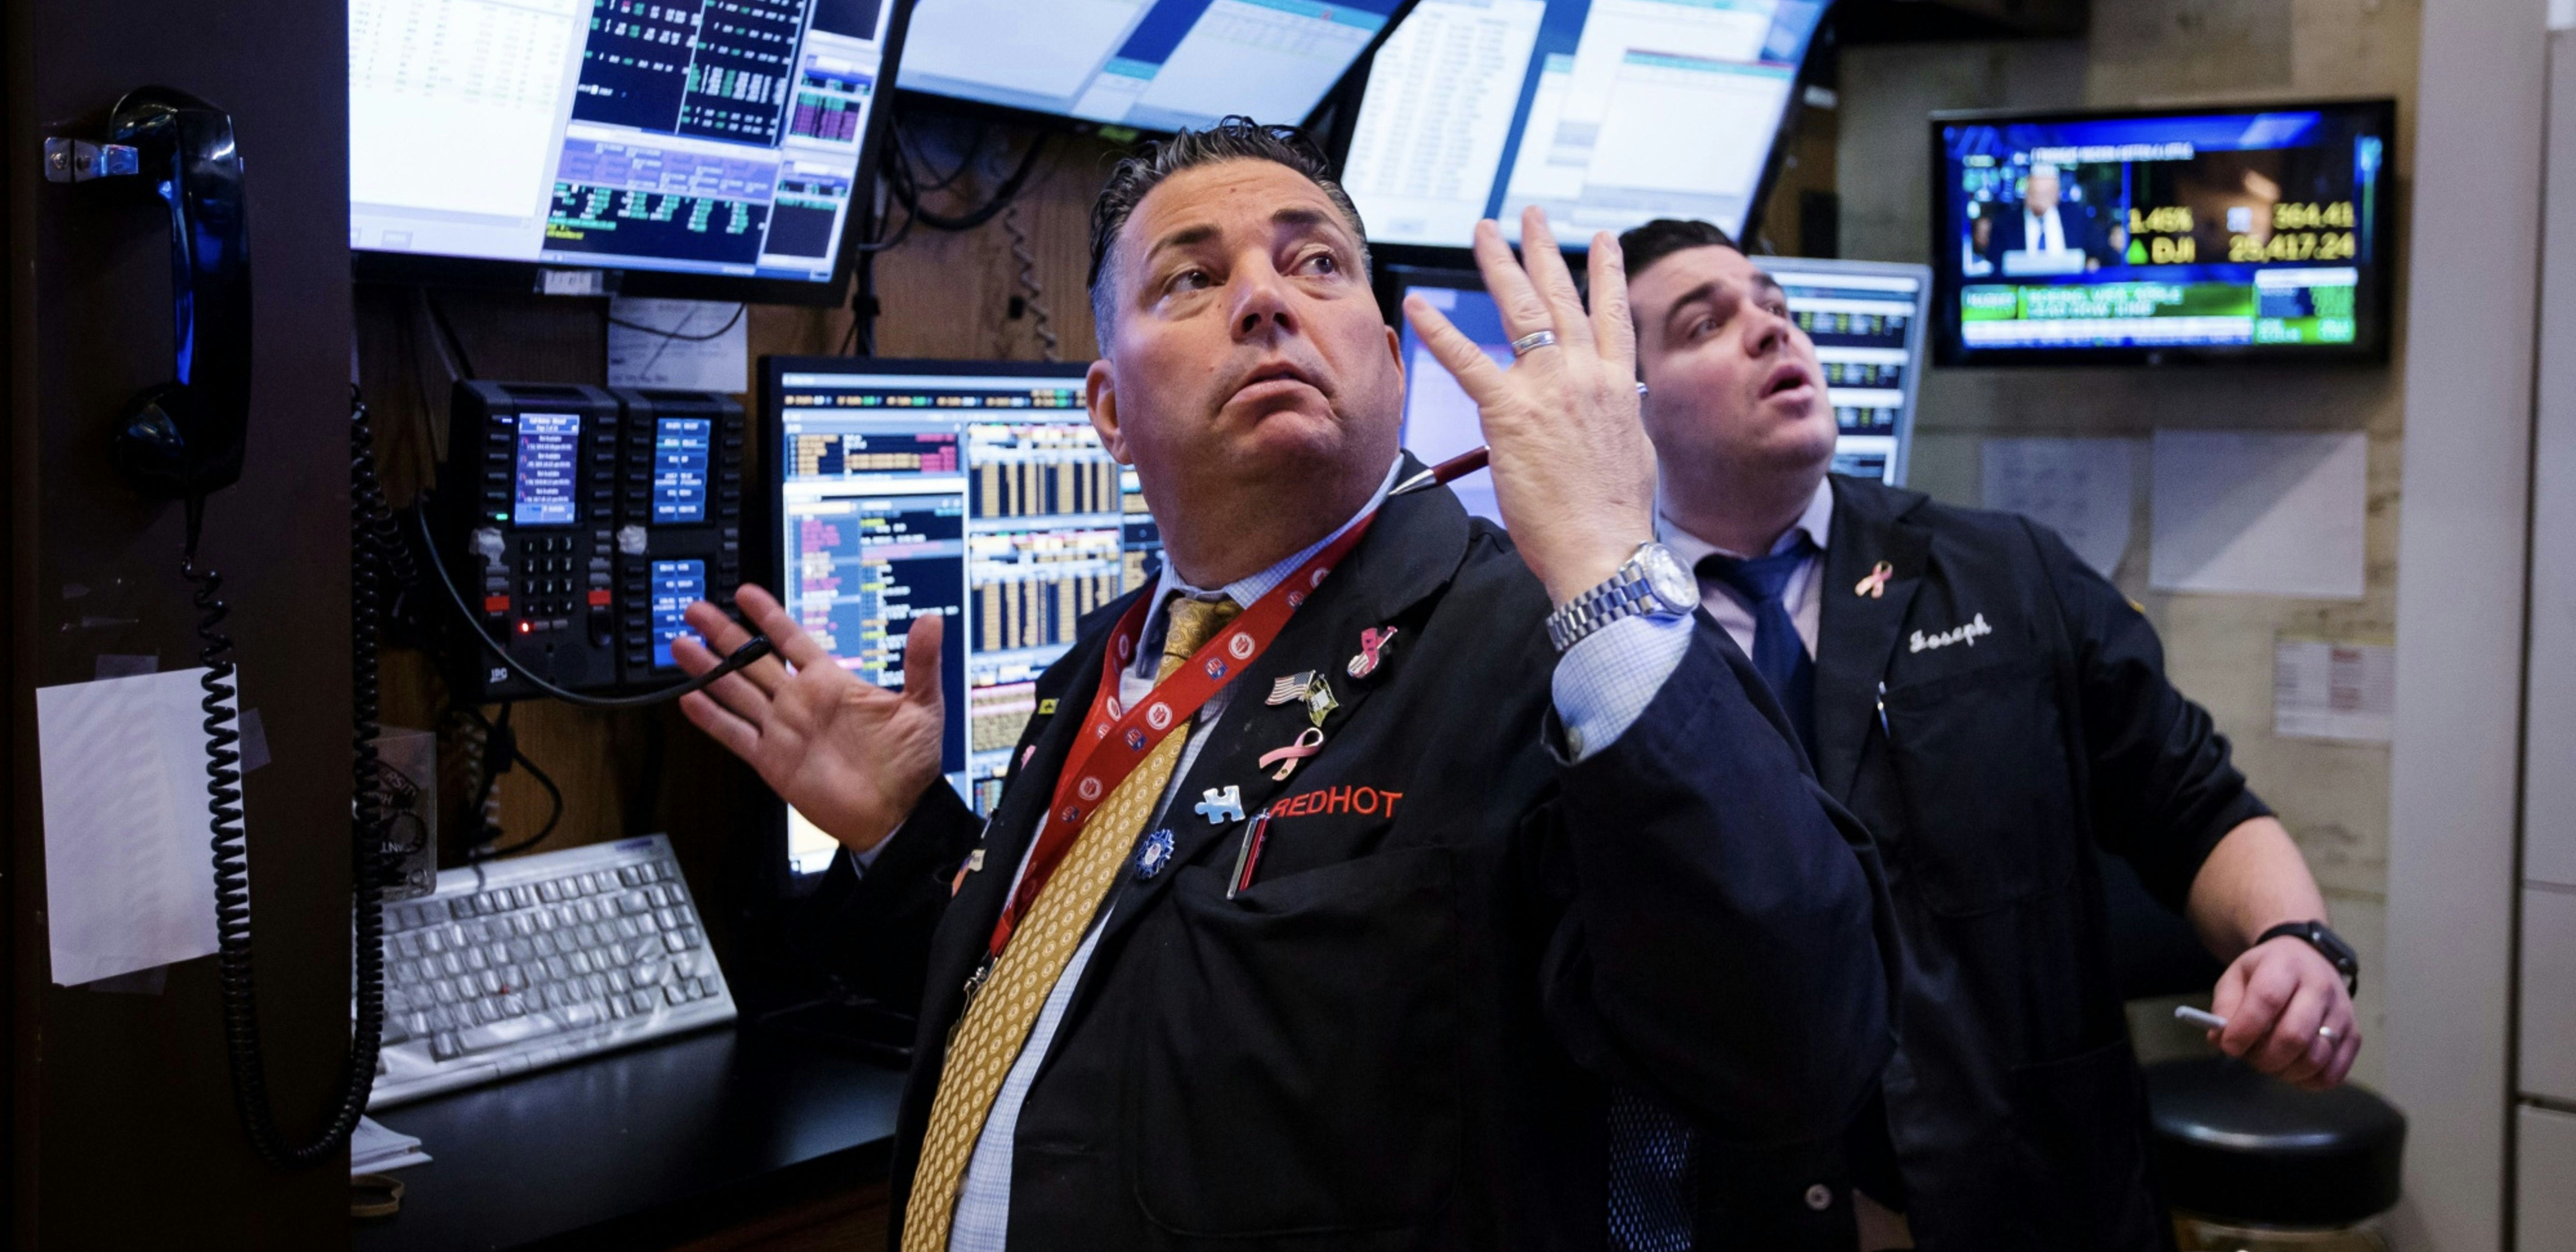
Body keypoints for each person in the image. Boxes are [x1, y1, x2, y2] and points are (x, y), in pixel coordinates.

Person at [669, 123, 1898, 1250]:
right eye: (1190, 280)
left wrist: (1607, 563)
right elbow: (1117, 1023)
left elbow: (1796, 1048)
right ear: (1107, 409)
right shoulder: (1094, 672)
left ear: (1379, 345)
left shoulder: (1553, 648)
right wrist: (903, 838)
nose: (1263, 298)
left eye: (1316, 266)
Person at [1616, 216, 2362, 1252]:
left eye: (1776, 308)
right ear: (1623, 405)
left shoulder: (2005, 571)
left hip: (2033, 1187)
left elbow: (2195, 804)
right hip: (1739, 1210)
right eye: (1706, 324)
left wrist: (2295, 941)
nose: (1770, 333)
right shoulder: (1604, 642)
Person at [1983, 162, 2109, 271]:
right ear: (2026, 193)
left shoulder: (2077, 218)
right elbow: (1994, 264)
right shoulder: (2005, 223)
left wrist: (2093, 263)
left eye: (2045, 195)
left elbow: (2102, 252)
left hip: (2069, 289)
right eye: (2034, 194)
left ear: (2057, 195)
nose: (2039, 201)